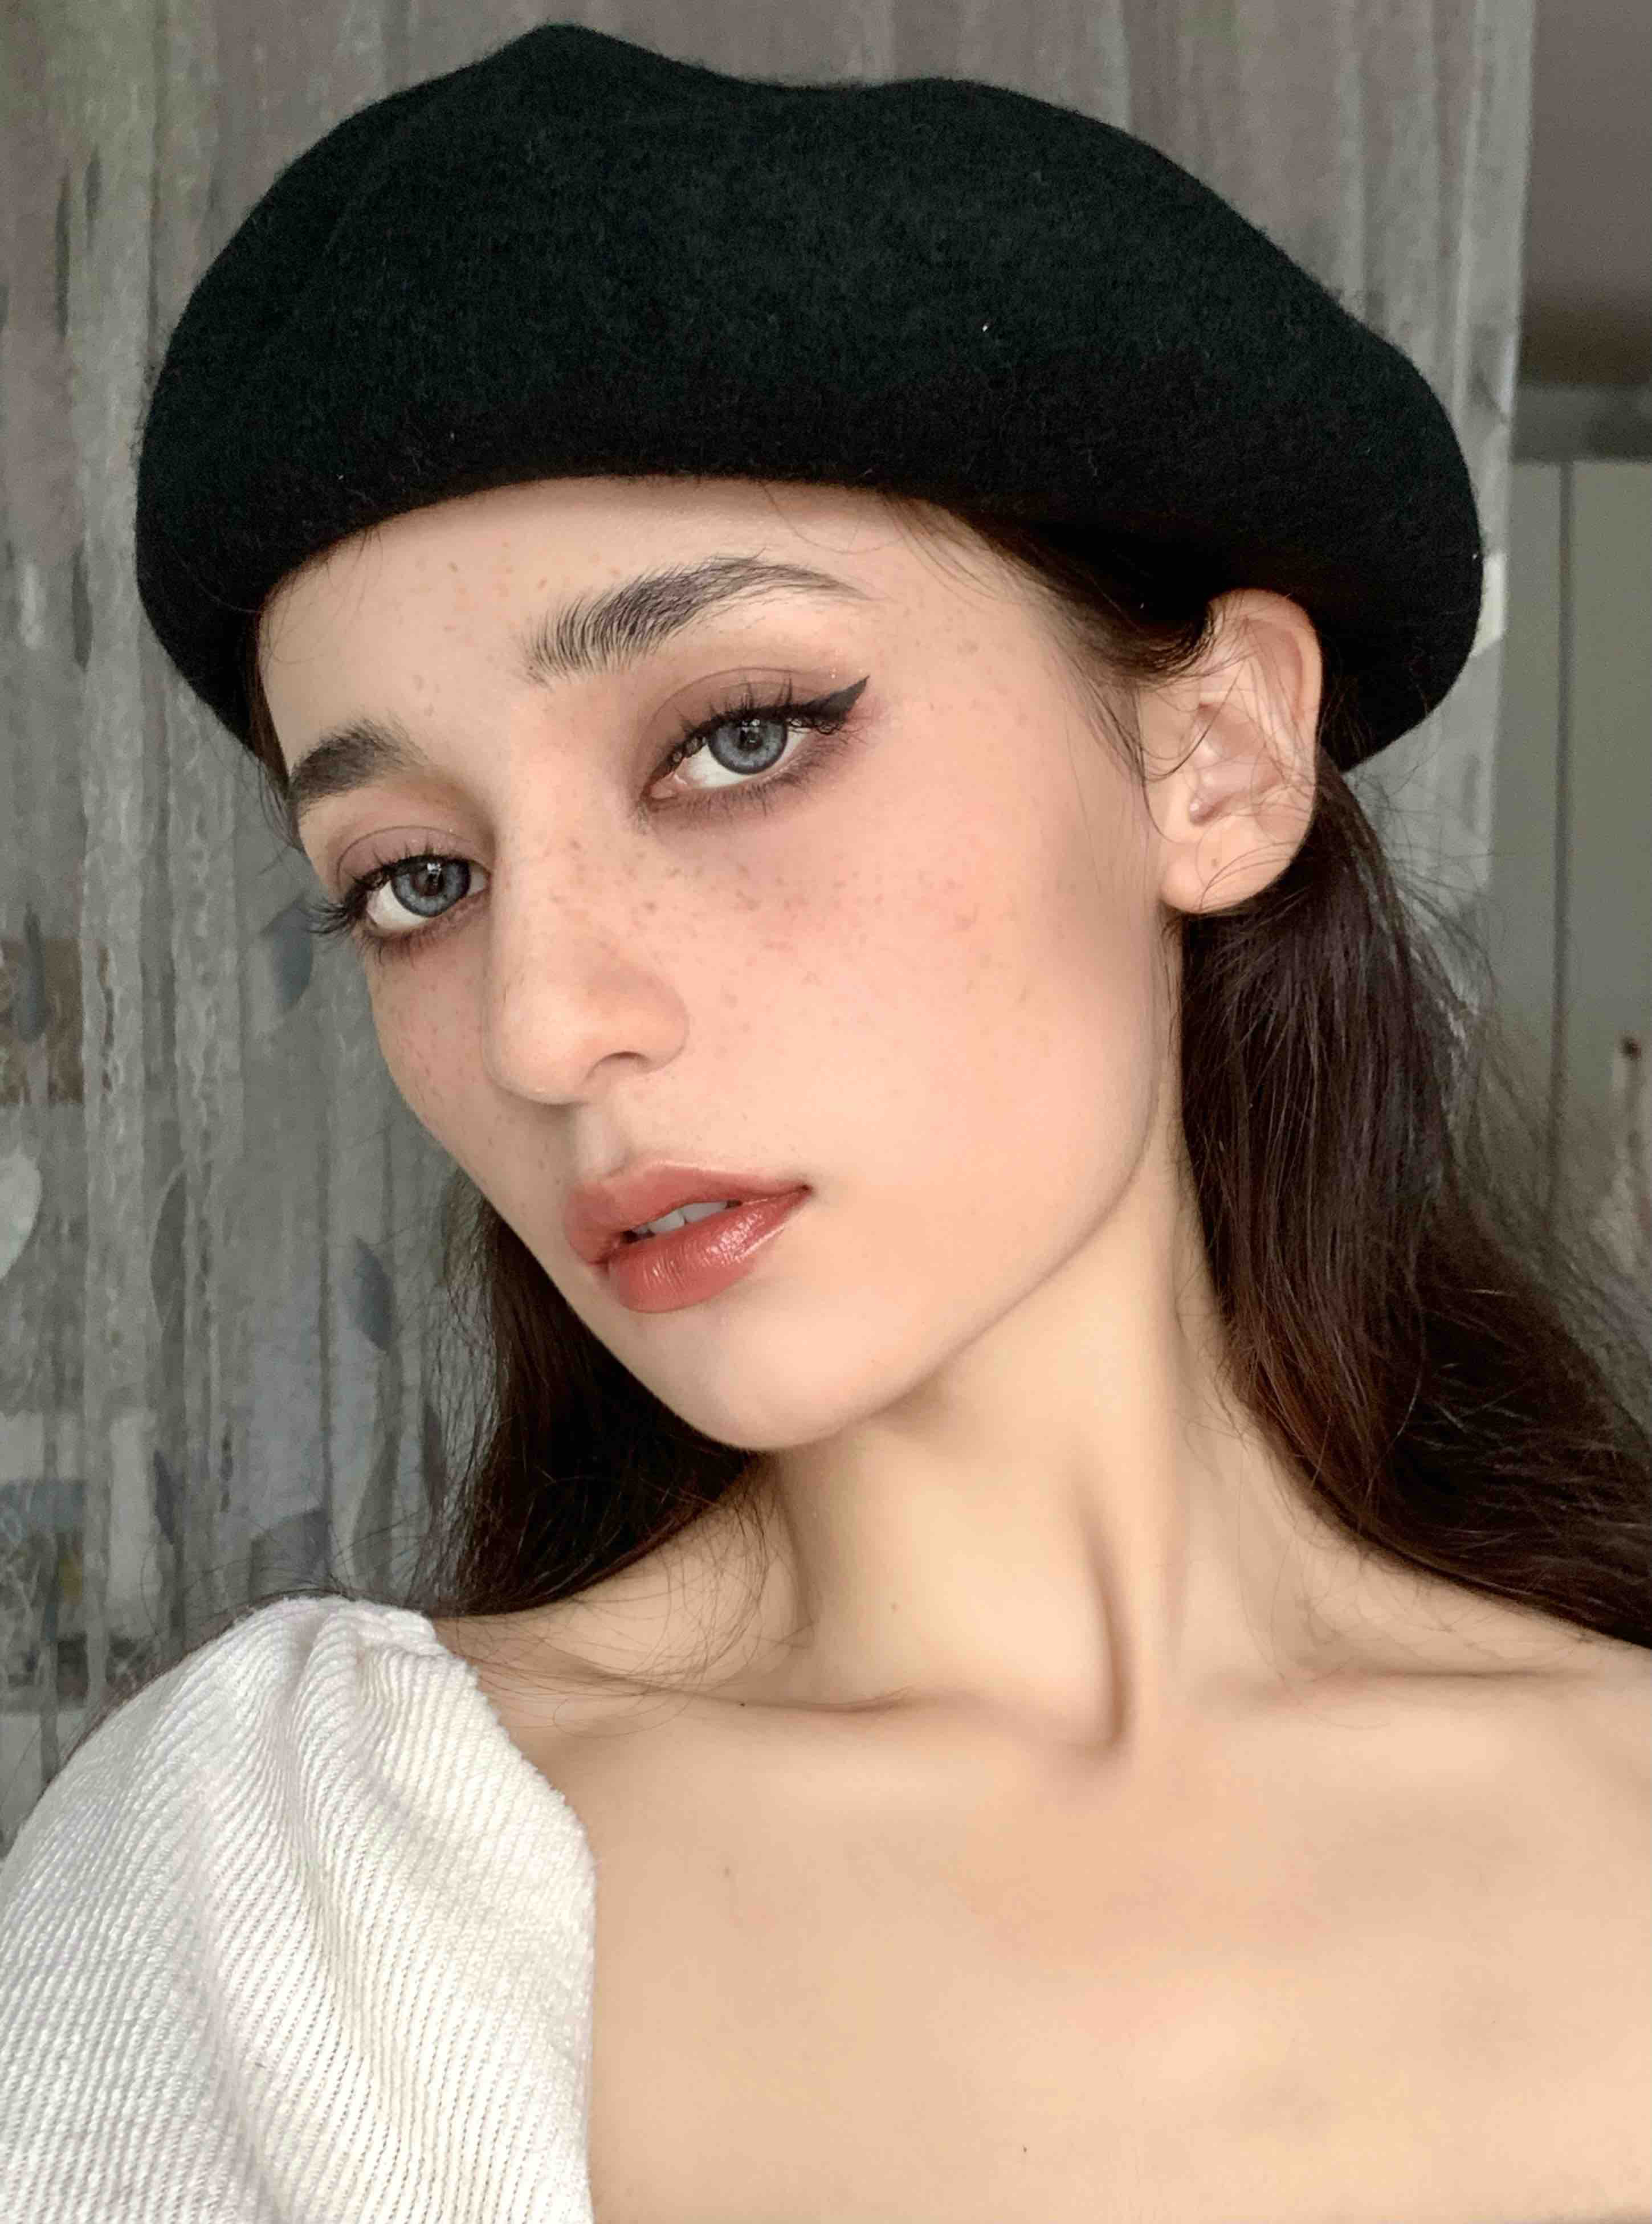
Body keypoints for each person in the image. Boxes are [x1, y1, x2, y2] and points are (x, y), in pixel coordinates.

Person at [3, 21, 1647, 2224]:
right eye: (416, 880)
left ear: (1218, 761)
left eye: (742, 739)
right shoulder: (269, 1895)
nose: (546, 1025)